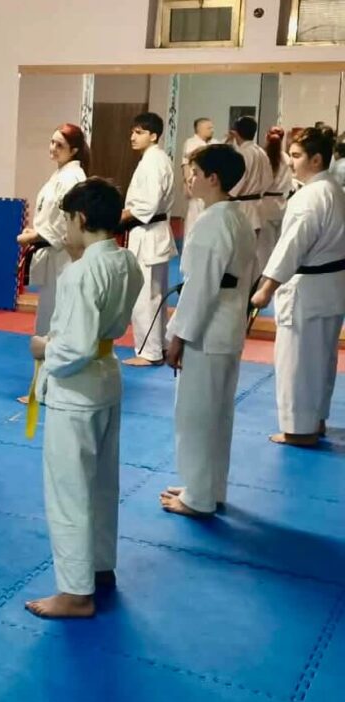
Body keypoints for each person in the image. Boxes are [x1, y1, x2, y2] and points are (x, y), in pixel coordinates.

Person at [25, 178, 143, 619]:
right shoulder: (126, 261)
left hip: (76, 390)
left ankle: (75, 592)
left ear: (80, 218)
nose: (65, 230)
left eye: (67, 220)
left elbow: (73, 348)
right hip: (107, 377)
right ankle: (99, 565)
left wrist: (43, 348)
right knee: (101, 483)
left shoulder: (80, 272)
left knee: (69, 489)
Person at [160, 145, 257, 518]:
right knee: (217, 415)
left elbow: (200, 289)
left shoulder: (211, 223)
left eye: (195, 172)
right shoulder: (237, 217)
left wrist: (178, 337)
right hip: (227, 327)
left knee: (197, 416)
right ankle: (209, 488)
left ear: (212, 179)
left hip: (207, 330)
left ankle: (198, 497)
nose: (190, 178)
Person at [251, 125, 345, 447]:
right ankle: (316, 420)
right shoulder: (333, 189)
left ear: (316, 159)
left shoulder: (310, 197)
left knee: (298, 362)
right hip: (331, 288)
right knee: (322, 360)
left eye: (296, 155)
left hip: (307, 291)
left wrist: (266, 288)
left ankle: (299, 430)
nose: (290, 162)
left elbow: (292, 246)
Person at [16, 125, 90, 397]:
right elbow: (51, 218)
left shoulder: (73, 177)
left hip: (64, 258)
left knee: (55, 324)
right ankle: (44, 385)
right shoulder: (60, 175)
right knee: (48, 321)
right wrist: (36, 232)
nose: (53, 149)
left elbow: (65, 223)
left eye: (60, 145)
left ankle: (47, 388)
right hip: (54, 255)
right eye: (52, 142)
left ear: (74, 150)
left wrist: (37, 236)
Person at [121, 112, 176, 367]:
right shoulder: (158, 158)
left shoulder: (152, 162)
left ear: (153, 135)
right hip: (153, 232)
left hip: (148, 232)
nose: (133, 137)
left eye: (139, 132)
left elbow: (148, 204)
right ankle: (159, 345)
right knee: (155, 295)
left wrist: (119, 216)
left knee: (145, 297)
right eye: (132, 132)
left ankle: (149, 352)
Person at [227, 115, 274, 236]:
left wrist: (227, 195)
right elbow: (269, 179)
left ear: (236, 133)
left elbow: (239, 179)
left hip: (243, 207)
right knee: (254, 244)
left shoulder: (242, 153)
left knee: (240, 244)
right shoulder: (261, 152)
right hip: (257, 205)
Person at [257, 126, 294, 274]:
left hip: (265, 205)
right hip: (282, 204)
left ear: (266, 137)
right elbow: (290, 182)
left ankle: (262, 278)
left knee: (263, 249)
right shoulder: (287, 158)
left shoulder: (262, 157)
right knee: (279, 245)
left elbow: (261, 183)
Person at [182, 117, 215, 236]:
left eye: (212, 127)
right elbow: (186, 165)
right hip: (196, 185)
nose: (212, 130)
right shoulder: (191, 143)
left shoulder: (214, 142)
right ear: (199, 129)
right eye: (208, 128)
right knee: (194, 219)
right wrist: (187, 183)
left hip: (211, 186)